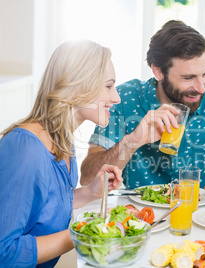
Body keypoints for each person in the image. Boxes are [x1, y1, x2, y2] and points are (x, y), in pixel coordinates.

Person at [80, 20, 205, 203]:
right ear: (158, 71)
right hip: (141, 218)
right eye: (188, 77)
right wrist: (132, 142)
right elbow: (88, 179)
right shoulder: (124, 99)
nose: (201, 87)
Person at [0, 40, 123, 267]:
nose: (117, 98)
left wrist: (89, 193)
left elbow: (43, 211)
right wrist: (84, 234)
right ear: (78, 88)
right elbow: (4, 252)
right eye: (108, 86)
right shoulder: (25, 149)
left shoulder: (63, 140)